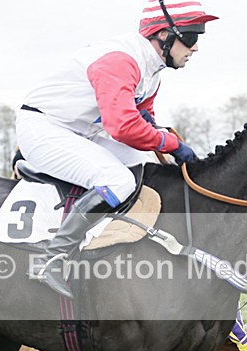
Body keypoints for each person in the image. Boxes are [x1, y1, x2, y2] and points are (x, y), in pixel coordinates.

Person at [16, 0, 218, 298]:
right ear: (163, 35)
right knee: (118, 181)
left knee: (151, 167)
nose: (196, 47)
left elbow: (143, 118)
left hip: (82, 131)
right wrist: (172, 144)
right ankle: (52, 258)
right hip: (45, 128)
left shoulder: (153, 70)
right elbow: (122, 126)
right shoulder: (122, 60)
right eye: (190, 37)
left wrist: (166, 141)